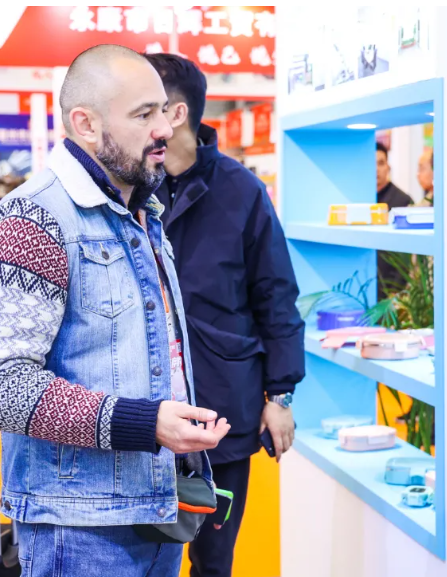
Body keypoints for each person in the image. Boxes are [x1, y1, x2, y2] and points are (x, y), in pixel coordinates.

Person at [0, 45, 230, 577]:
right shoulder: (32, 220)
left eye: (164, 110)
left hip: (157, 507)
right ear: (85, 124)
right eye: (143, 114)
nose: (164, 129)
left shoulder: (139, 212)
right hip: (80, 529)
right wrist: (145, 423)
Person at [145, 53, 305, 577]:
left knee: (213, 558)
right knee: (141, 555)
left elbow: (276, 296)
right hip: (141, 405)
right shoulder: (125, 187)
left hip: (223, 404)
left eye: (143, 105)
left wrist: (280, 396)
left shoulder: (241, 191)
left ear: (176, 113)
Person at [375, 142, 412, 299]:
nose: (376, 169)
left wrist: (396, 290)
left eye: (381, 163)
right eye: (371, 164)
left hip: (390, 287)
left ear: (388, 167)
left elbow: (405, 252)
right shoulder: (359, 199)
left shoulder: (402, 201)